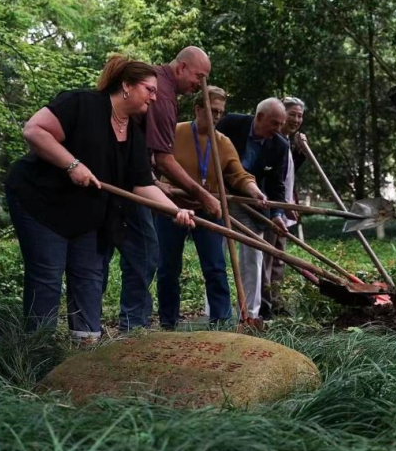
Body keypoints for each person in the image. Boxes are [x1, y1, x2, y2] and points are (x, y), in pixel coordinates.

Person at [5, 56, 195, 340]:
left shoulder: (132, 133)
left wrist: (175, 210)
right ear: (127, 86)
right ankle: (37, 353)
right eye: (150, 90)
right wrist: (72, 165)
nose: (154, 98)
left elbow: (141, 184)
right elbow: (34, 130)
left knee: (89, 277)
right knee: (48, 277)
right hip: (42, 205)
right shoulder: (81, 103)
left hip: (87, 215)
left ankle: (86, 350)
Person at [102, 46, 221, 332]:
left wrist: (157, 182)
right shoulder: (163, 96)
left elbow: (148, 155)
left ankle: (104, 325)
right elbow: (164, 159)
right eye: (199, 77)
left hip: (131, 178)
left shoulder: (158, 87)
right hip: (127, 183)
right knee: (144, 250)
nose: (199, 86)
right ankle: (133, 327)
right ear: (181, 68)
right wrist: (202, 194)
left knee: (113, 250)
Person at [154, 87, 268, 329]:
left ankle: (220, 323)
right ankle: (168, 323)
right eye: (212, 111)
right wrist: (158, 185)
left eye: (220, 113)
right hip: (172, 209)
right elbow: (157, 162)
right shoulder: (176, 132)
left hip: (208, 209)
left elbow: (239, 175)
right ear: (197, 109)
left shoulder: (222, 143)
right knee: (168, 268)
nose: (217, 116)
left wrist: (254, 190)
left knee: (215, 267)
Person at [216, 98, 289, 322]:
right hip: (218, 196)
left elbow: (277, 184)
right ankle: (216, 314)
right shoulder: (229, 124)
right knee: (215, 255)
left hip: (253, 204)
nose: (278, 129)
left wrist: (277, 215)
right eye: (274, 123)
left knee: (253, 257)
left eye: (280, 124)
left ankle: (250, 315)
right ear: (259, 117)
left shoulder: (279, 145)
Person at [261, 96, 308, 304]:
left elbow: (287, 175)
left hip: (284, 206)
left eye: (300, 116)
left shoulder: (288, 142)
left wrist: (300, 152)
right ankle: (264, 303)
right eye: (292, 115)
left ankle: (276, 300)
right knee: (268, 256)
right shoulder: (271, 141)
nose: (296, 120)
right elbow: (271, 179)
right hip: (270, 206)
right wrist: (279, 206)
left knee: (280, 257)